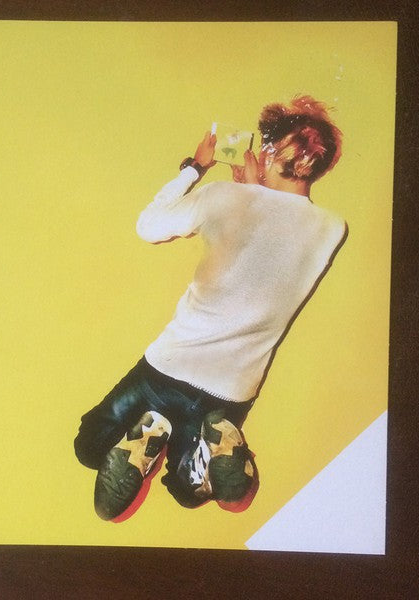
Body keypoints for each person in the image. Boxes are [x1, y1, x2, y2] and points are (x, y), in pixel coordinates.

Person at [74, 95, 347, 521]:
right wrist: (254, 190)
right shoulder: (332, 229)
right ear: (320, 164)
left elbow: (148, 226)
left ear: (269, 151)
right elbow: (274, 235)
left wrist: (196, 167)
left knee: (90, 447)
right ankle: (212, 448)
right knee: (189, 493)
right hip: (231, 390)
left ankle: (148, 437)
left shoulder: (224, 197)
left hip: (168, 369)